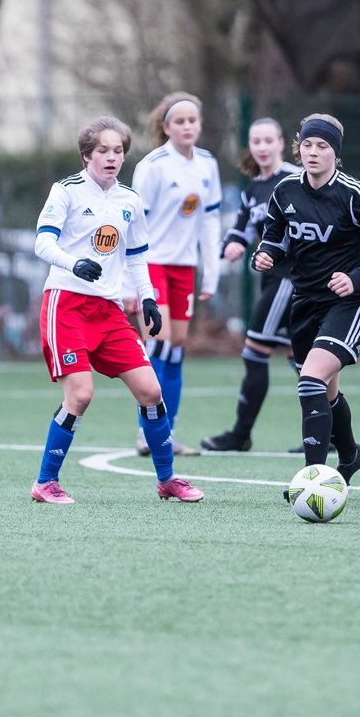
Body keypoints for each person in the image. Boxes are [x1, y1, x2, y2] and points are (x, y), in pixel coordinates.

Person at [31, 116, 204, 504]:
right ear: (86, 155)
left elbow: (137, 256)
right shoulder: (66, 191)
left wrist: (147, 298)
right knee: (80, 395)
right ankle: (45, 482)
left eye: (118, 151)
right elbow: (42, 244)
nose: (112, 158)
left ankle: (167, 480)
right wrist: (72, 263)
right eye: (103, 151)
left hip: (109, 310)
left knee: (151, 390)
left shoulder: (130, 200)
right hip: (66, 304)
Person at [254, 113, 360, 484]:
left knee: (310, 380)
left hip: (352, 303)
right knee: (326, 391)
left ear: (336, 153)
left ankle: (313, 477)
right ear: (298, 148)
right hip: (305, 302)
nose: (313, 153)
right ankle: (350, 456)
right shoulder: (285, 190)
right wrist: (265, 254)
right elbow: (275, 236)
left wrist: (357, 279)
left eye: (322, 147)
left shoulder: (353, 193)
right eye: (307, 145)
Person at [129, 92, 222, 457]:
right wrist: (127, 281)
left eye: (192, 120)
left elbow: (209, 220)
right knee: (160, 342)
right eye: (179, 121)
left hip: (185, 267)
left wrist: (211, 273)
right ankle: (146, 430)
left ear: (200, 125)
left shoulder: (207, 165)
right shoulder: (153, 165)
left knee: (178, 348)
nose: (186, 126)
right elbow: (131, 224)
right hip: (151, 264)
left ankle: (168, 431)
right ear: (165, 127)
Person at [201, 117, 301, 452]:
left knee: (254, 351)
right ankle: (327, 433)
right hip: (271, 279)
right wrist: (232, 243)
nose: (261, 147)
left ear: (281, 143)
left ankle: (241, 434)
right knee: (299, 356)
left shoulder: (295, 180)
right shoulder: (254, 186)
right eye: (255, 141)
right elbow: (242, 228)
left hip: (291, 278)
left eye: (267, 140)